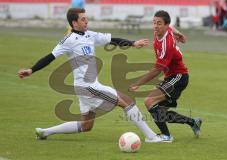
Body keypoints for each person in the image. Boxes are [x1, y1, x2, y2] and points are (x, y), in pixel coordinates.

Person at [18, 8, 165, 143]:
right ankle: (151, 137)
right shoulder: (68, 40)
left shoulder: (90, 35)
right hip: (87, 86)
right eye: (83, 19)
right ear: (74, 23)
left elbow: (112, 39)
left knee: (86, 125)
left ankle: (44, 132)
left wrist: (133, 43)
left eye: (86, 18)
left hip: (88, 86)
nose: (86, 21)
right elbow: (50, 56)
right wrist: (32, 70)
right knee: (126, 101)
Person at [129, 10, 202, 143]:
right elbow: (171, 27)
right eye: (154, 23)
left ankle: (166, 136)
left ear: (165, 25)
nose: (155, 26)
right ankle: (193, 122)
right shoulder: (162, 31)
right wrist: (179, 34)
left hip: (178, 76)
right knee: (160, 113)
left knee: (149, 102)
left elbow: (158, 69)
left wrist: (138, 83)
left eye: (159, 23)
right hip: (172, 77)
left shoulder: (166, 43)